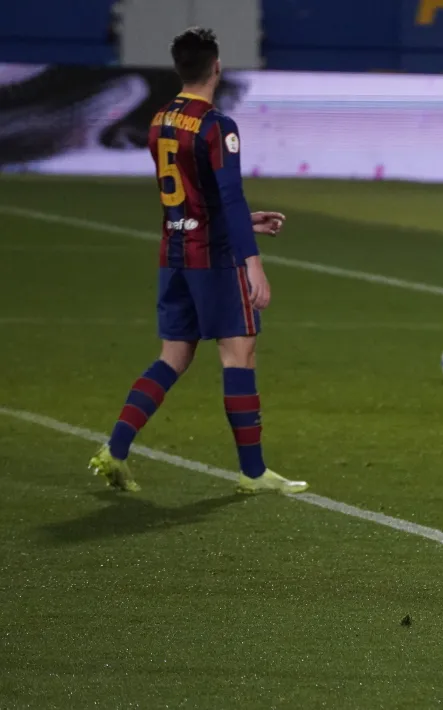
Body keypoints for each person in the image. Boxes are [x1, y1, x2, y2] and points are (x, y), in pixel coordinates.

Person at [87, 27, 307, 495]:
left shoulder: (160, 119)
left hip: (174, 251)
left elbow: (191, 197)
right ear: (217, 67)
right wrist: (252, 261)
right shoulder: (216, 125)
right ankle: (253, 473)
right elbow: (228, 194)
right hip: (212, 257)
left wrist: (245, 222)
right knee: (239, 353)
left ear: (179, 68)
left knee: (173, 356)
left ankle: (114, 450)